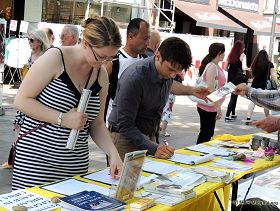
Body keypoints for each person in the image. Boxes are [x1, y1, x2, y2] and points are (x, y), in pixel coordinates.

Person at [12, 16, 123, 190]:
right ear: (86, 43)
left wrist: (113, 153)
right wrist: (62, 118)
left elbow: (97, 124)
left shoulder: (100, 75)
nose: (105, 63)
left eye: (111, 58)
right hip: (36, 164)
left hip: (74, 167)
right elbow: (21, 100)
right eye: (102, 56)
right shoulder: (55, 58)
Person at [108, 37, 209, 161]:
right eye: (171, 70)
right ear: (158, 56)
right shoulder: (135, 78)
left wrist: (192, 90)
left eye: (177, 72)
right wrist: (154, 147)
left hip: (148, 136)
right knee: (127, 179)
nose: (172, 75)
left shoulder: (165, 72)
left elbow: (171, 85)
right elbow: (124, 124)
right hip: (125, 138)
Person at [2, 29, 50, 169]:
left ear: (40, 42)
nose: (29, 42)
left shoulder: (43, 58)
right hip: (25, 95)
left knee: (27, 129)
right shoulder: (32, 55)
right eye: (29, 39)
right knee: (18, 128)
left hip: (34, 98)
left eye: (32, 40)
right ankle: (14, 159)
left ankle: (21, 160)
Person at [105, 18, 150, 122]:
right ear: (131, 36)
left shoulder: (147, 62)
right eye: (145, 38)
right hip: (115, 129)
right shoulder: (114, 61)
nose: (148, 42)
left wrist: (190, 90)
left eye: (149, 38)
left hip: (137, 127)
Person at [196, 43, 226, 144]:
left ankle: (200, 153)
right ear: (219, 53)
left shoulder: (215, 65)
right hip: (208, 106)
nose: (224, 55)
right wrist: (218, 107)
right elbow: (211, 89)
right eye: (224, 53)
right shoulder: (212, 66)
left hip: (210, 105)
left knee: (207, 133)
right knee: (206, 133)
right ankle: (198, 153)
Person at [245, 50, 276, 124]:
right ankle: (268, 118)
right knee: (266, 102)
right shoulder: (269, 64)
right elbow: (273, 76)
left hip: (255, 84)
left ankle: (248, 118)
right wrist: (276, 84)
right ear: (266, 56)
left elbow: (253, 74)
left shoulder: (255, 63)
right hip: (265, 85)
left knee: (252, 101)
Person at [225, 40, 248, 121]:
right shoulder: (243, 55)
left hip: (231, 77)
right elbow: (244, 68)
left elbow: (225, 68)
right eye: (243, 47)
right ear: (241, 48)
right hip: (238, 78)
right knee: (234, 96)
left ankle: (233, 113)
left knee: (234, 95)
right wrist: (249, 69)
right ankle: (227, 115)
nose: (244, 49)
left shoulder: (230, 55)